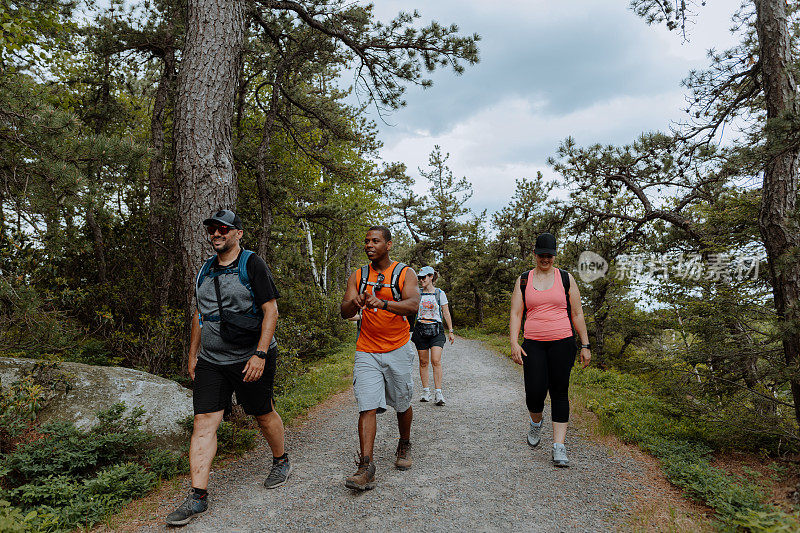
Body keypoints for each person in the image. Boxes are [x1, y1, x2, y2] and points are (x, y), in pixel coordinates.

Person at [166, 210, 289, 526]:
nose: (216, 233)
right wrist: (193, 356)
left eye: (223, 228)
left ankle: (280, 460)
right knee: (204, 421)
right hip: (212, 361)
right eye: (212, 229)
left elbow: (270, 310)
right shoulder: (204, 271)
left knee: (262, 413)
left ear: (238, 233)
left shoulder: (252, 264)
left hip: (251, 356)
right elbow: (199, 315)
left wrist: (260, 355)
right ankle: (198, 496)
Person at [340, 226, 420, 491]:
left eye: (375, 241)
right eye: (366, 241)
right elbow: (344, 310)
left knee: (402, 401)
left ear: (388, 245)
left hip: (397, 347)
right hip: (367, 349)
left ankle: (404, 442)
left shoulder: (403, 273)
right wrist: (358, 301)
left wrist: (382, 303)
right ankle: (366, 467)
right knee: (367, 405)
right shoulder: (359, 275)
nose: (369, 245)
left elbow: (413, 305)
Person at [508, 232, 591, 468]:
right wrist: (514, 342)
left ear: (555, 256)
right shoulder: (524, 279)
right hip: (533, 342)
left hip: (562, 342)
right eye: (542, 255)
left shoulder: (566, 278)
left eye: (550, 255)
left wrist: (585, 344)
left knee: (559, 392)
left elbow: (577, 313)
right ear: (534, 254)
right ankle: (536, 423)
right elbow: (516, 313)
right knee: (534, 393)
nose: (546, 259)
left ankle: (558, 446)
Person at [411, 266, 455, 406]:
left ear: (431, 277)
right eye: (420, 278)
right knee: (423, 362)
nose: (421, 280)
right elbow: (410, 311)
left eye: (424, 277)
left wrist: (451, 330)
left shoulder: (439, 293)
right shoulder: (417, 293)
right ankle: (425, 391)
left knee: (435, 360)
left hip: (436, 330)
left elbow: (446, 312)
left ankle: (438, 393)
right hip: (421, 329)